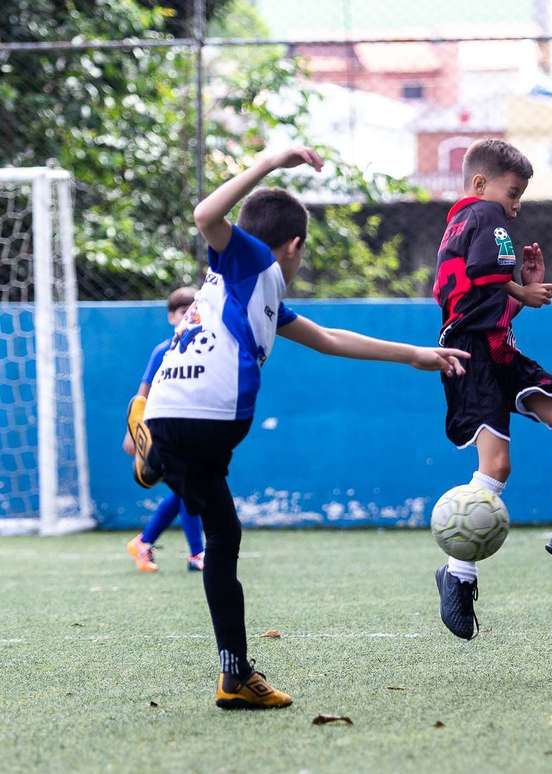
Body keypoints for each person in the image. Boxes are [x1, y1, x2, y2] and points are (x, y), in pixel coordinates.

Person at [126, 145, 470, 710]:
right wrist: (266, 162)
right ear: (295, 247)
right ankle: (233, 675)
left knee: (221, 533)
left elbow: (329, 338)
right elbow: (205, 217)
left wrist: (415, 354)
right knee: (223, 537)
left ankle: (156, 456)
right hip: (206, 413)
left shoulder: (255, 293)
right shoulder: (251, 262)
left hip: (172, 409)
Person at [432, 138, 552, 640]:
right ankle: (457, 575)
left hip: (497, 348)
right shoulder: (484, 214)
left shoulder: (466, 225)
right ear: (482, 184)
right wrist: (520, 286)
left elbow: (484, 297)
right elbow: (488, 273)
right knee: (496, 466)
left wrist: (520, 295)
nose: (517, 203)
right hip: (470, 354)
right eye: (514, 191)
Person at [122, 287, 205, 573]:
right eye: (184, 312)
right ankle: (197, 554)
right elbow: (142, 392)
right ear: (172, 317)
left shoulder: (203, 348)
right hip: (162, 431)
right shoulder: (163, 350)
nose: (190, 316)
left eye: (195, 310)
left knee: (186, 489)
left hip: (190, 429)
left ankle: (144, 543)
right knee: (187, 487)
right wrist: (133, 433)